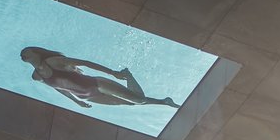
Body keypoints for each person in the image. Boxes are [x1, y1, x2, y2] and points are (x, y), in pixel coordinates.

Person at [19, 47, 178, 109]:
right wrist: (77, 101)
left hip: (96, 84)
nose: (23, 55)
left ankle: (127, 74)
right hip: (88, 96)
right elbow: (59, 89)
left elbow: (85, 63)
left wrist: (113, 72)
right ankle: (165, 101)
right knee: (130, 103)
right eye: (23, 56)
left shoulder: (53, 61)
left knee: (139, 100)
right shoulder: (37, 77)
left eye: (26, 52)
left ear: (36, 52)